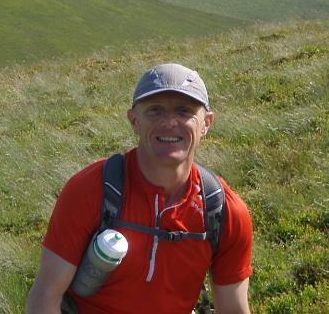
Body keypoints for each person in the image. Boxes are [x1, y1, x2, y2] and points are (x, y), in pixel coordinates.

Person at [26, 63, 253, 314]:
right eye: (155, 111)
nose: (169, 122)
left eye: (184, 111)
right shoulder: (90, 190)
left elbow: (233, 308)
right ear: (134, 121)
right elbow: (45, 298)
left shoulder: (223, 210)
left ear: (206, 124)